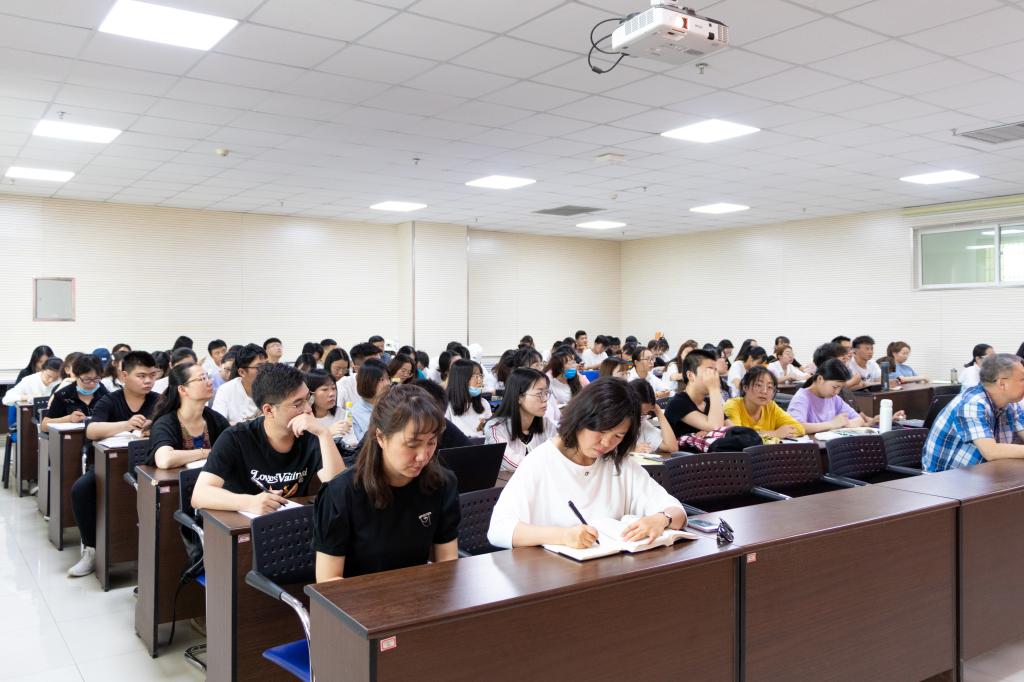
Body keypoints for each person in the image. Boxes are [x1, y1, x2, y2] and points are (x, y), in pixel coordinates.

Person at [487, 378, 686, 550]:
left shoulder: (618, 462)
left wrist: (661, 519)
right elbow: (498, 530)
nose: (606, 443)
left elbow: (677, 511)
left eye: (618, 436)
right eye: (601, 431)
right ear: (581, 419)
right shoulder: (541, 461)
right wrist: (563, 536)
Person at [313, 384, 459, 580]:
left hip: (418, 592)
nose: (423, 456)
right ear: (381, 437)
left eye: (431, 442)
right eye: (412, 444)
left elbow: (447, 564)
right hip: (357, 596)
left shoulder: (442, 483)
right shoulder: (342, 492)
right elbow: (328, 580)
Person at [191, 363, 344, 515]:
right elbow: (199, 495)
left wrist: (324, 434)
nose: (308, 409)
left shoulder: (310, 433)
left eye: (308, 399)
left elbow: (340, 490)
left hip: (291, 521)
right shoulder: (236, 437)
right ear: (269, 410)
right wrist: (249, 502)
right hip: (242, 524)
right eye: (298, 404)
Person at [69, 351, 160, 577]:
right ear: (124, 376)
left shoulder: (159, 401)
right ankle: (91, 550)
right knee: (81, 489)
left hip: (151, 466)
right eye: (141, 376)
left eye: (152, 375)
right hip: (109, 465)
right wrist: (126, 424)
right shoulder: (110, 400)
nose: (148, 381)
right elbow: (92, 430)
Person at [922, 354, 1024, 472]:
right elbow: (991, 451)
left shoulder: (1010, 404)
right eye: (1022, 379)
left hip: (985, 474)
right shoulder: (972, 404)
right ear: (1002, 384)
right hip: (944, 478)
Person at [147, 362, 229, 469]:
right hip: (178, 479)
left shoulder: (216, 419)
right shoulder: (165, 423)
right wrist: (206, 453)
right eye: (202, 378)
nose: (210, 382)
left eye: (207, 377)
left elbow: (233, 449)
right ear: (182, 389)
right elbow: (164, 460)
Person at [484, 368, 558, 473]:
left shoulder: (547, 425)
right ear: (519, 397)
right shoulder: (495, 428)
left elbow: (562, 455)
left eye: (546, 393)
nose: (545, 399)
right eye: (539, 394)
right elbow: (514, 464)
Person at [787, 360, 875, 434]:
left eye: (840, 388)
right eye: (835, 387)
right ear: (820, 379)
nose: (837, 392)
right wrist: (832, 424)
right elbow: (795, 427)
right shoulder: (802, 397)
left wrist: (845, 424)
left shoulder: (834, 398)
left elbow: (859, 419)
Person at [723, 366, 805, 439]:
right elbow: (737, 436)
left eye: (770, 387)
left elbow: (799, 428)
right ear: (745, 387)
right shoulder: (733, 405)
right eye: (758, 385)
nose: (764, 391)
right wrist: (775, 433)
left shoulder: (771, 406)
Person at [664, 349, 726, 437]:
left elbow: (732, 428)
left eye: (715, 371)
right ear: (690, 375)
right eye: (709, 371)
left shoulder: (709, 402)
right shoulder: (678, 403)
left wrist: (709, 432)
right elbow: (716, 427)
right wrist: (714, 389)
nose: (714, 376)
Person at [41, 354, 108, 432]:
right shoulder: (64, 395)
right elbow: (43, 426)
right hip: (72, 438)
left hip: (100, 436)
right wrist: (68, 419)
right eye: (87, 379)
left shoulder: (103, 392)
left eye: (96, 379)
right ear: (76, 376)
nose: (92, 383)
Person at [212, 343, 268, 424]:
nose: (266, 370)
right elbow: (218, 423)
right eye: (260, 367)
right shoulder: (225, 390)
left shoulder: (272, 388)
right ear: (242, 372)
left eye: (267, 365)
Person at [444, 359, 492, 437]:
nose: (480, 380)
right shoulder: (446, 406)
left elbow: (490, 433)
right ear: (460, 379)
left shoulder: (484, 403)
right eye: (476, 376)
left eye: (481, 376)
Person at [628, 379, 678, 454]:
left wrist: (658, 411)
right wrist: (630, 449)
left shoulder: (642, 423)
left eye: (645, 413)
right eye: (639, 413)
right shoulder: (614, 422)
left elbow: (672, 447)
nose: (641, 417)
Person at [304, 369, 353, 441]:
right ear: (310, 393)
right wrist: (328, 432)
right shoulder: (304, 419)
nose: (332, 394)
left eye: (333, 388)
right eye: (325, 389)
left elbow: (352, 443)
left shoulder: (344, 415)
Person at [351, 359, 390, 441]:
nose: (387, 383)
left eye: (388, 378)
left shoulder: (391, 405)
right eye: (382, 379)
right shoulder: (354, 415)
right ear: (367, 382)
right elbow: (362, 445)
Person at [337, 342, 383, 407]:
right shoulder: (343, 386)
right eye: (373, 366)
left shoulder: (384, 383)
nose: (379, 368)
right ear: (357, 369)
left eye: (380, 363)